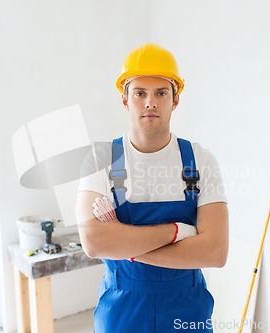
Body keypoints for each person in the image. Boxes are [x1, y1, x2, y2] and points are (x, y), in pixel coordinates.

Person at [76, 43, 229, 333]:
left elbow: (215, 252)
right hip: (122, 308)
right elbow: (95, 243)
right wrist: (179, 232)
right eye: (140, 93)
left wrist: (125, 245)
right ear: (125, 100)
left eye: (161, 93)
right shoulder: (101, 159)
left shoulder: (200, 161)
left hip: (186, 306)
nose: (150, 102)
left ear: (175, 100)